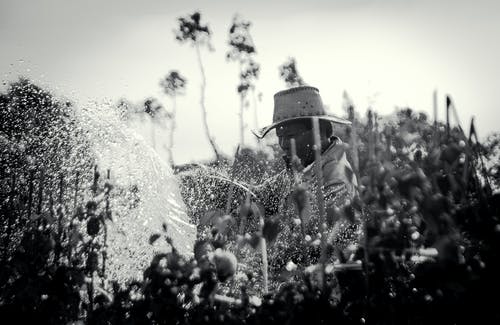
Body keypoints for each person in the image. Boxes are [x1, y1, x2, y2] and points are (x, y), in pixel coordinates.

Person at [252, 86, 360, 273]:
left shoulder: (337, 178)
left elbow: (309, 237)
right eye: (280, 137)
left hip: (324, 278)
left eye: (291, 136)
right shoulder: (303, 165)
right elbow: (260, 194)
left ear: (323, 131)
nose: (284, 145)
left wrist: (258, 261)